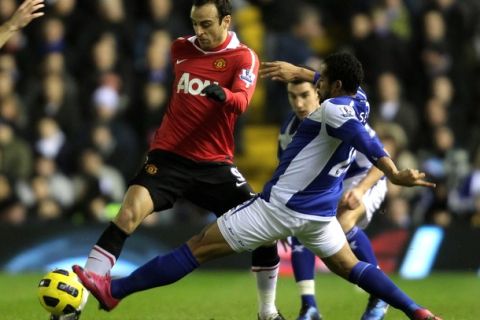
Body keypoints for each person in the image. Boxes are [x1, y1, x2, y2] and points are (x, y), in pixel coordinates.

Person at [73, 52, 442, 320]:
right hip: (319, 216)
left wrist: (392, 173)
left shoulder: (333, 111)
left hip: (279, 208)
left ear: (335, 86)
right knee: (349, 265)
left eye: (321, 79)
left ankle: (113, 290)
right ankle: (416, 310)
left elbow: (367, 141)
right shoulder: (360, 101)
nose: (315, 82)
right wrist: (298, 70)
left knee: (199, 247)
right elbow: (341, 100)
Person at [73, 1, 283, 320]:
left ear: (227, 21)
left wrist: (222, 95)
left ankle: (267, 312)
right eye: (194, 23)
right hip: (168, 157)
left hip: (214, 165)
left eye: (207, 24)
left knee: (265, 231)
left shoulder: (244, 57)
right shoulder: (180, 48)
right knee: (128, 214)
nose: (199, 32)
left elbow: (241, 103)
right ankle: (76, 305)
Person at [275, 68, 388, 320]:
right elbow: (284, 175)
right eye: (293, 97)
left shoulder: (342, 116)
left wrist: (359, 190)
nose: (299, 103)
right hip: (328, 187)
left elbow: (380, 161)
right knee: (299, 226)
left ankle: (379, 296)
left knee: (344, 223)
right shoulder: (288, 130)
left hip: (363, 179)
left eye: (304, 95)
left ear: (318, 92)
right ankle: (309, 306)